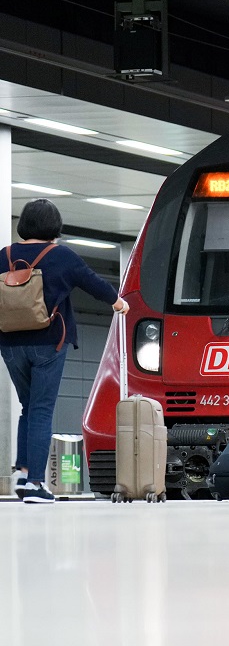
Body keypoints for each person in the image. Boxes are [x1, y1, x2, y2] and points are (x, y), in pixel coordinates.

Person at [1, 199, 129, 504]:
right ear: (53, 227)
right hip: (48, 341)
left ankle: (22, 472)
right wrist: (119, 303)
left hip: (10, 344)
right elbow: (94, 284)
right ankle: (34, 484)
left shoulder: (3, 256)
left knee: (28, 407)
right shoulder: (61, 256)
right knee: (42, 409)